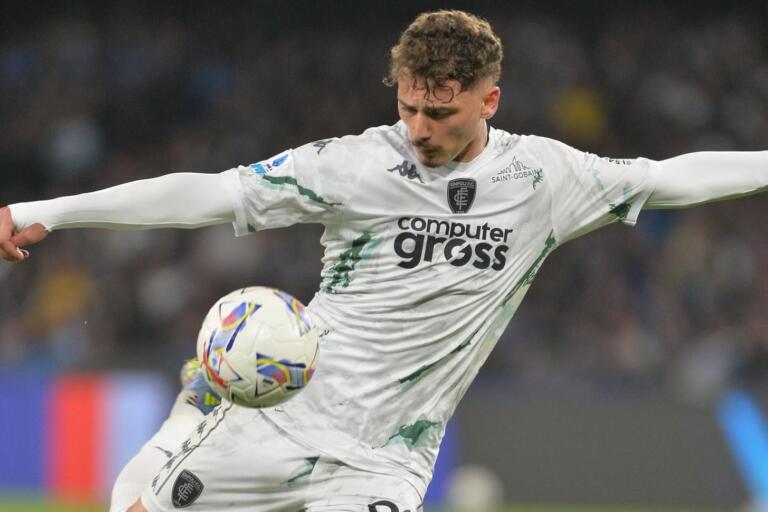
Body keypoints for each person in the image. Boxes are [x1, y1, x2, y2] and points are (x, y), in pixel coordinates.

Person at [2, 9, 767, 512]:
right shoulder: (354, 164)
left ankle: (193, 409)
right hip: (280, 418)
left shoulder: (544, 179)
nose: (419, 128)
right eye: (407, 107)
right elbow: (211, 192)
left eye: (440, 112)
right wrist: (48, 211)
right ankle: (193, 414)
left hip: (385, 460)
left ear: (489, 101)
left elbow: (669, 179)